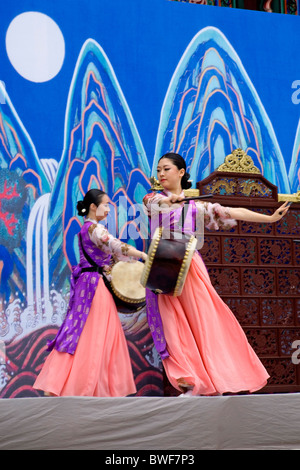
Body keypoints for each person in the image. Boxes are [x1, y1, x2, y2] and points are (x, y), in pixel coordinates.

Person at [143, 152, 290, 397]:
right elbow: (153, 203)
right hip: (162, 268)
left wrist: (270, 218)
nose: (161, 174)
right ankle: (188, 380)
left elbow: (232, 212)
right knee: (171, 325)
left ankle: (217, 377)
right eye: (158, 170)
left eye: (166, 169)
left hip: (189, 268)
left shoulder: (196, 208)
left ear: (181, 172)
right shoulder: (154, 199)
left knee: (205, 324)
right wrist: (170, 201)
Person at [34, 189, 147, 397]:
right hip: (95, 286)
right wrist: (140, 255)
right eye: (105, 205)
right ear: (93, 207)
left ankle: (66, 383)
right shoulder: (95, 229)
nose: (107, 209)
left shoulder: (87, 229)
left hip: (88, 284)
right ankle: (88, 386)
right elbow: (115, 246)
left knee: (81, 330)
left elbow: (109, 255)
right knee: (98, 332)